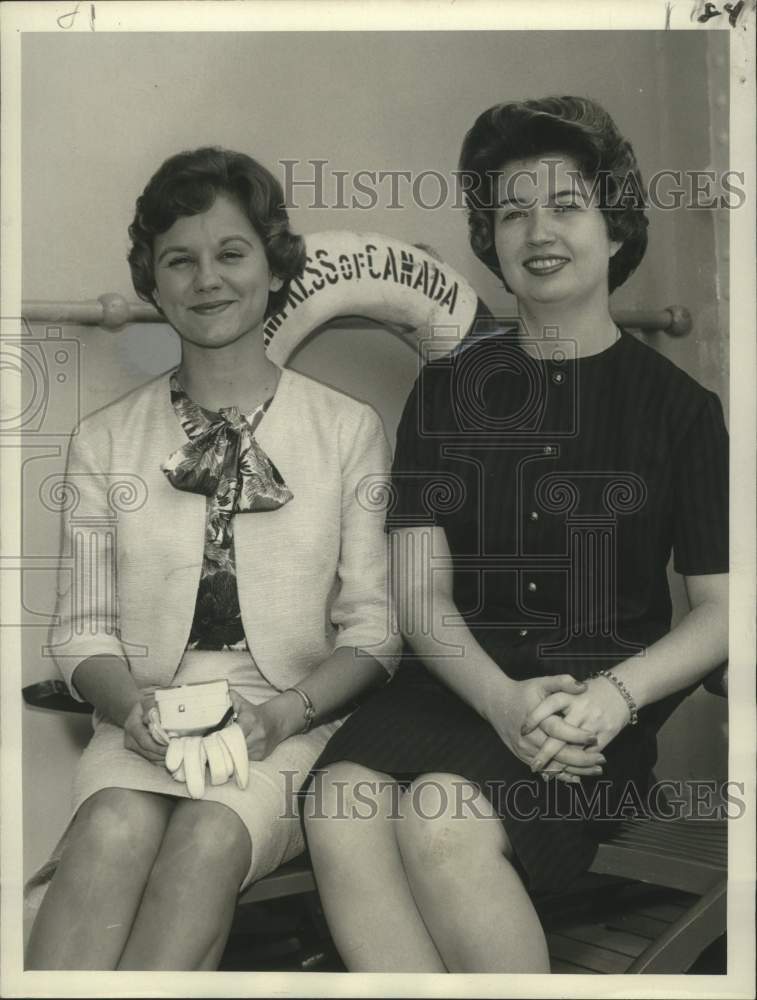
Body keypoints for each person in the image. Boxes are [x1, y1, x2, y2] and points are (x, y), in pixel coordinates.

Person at [303, 96, 729, 973]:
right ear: (490, 242)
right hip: (457, 691)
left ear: (615, 230)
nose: (537, 229)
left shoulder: (681, 411)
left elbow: (725, 611)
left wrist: (614, 698)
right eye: (510, 211)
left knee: (439, 819)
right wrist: (499, 700)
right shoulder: (446, 392)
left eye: (565, 205)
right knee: (339, 801)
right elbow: (418, 594)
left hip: (593, 711)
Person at [25, 147, 400, 970]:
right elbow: (81, 633)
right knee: (109, 834)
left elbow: (373, 634)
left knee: (203, 843)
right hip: (141, 720)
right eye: (179, 261)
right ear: (153, 283)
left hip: (290, 722)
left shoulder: (347, 430)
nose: (207, 280)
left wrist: (285, 715)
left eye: (231, 254)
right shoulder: (104, 440)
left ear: (272, 268)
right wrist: (130, 710)